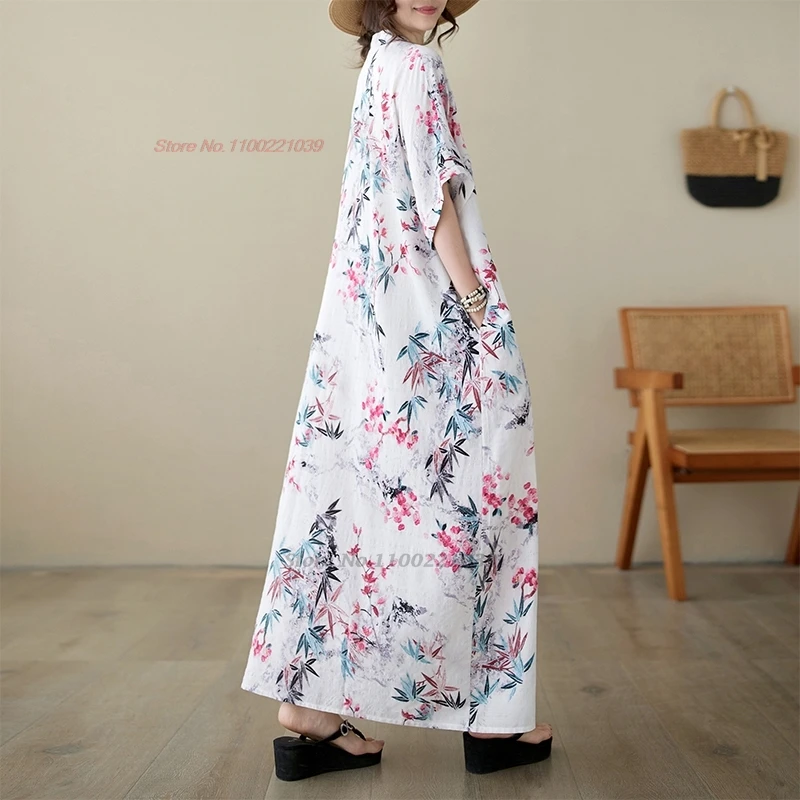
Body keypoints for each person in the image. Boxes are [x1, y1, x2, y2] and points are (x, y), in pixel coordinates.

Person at [240, 0, 553, 780]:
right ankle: (490, 715)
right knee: (483, 486)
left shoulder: (378, 62)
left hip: (365, 312)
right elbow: (433, 194)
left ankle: (308, 707)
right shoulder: (417, 64)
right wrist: (475, 304)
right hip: (424, 310)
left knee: (347, 488)